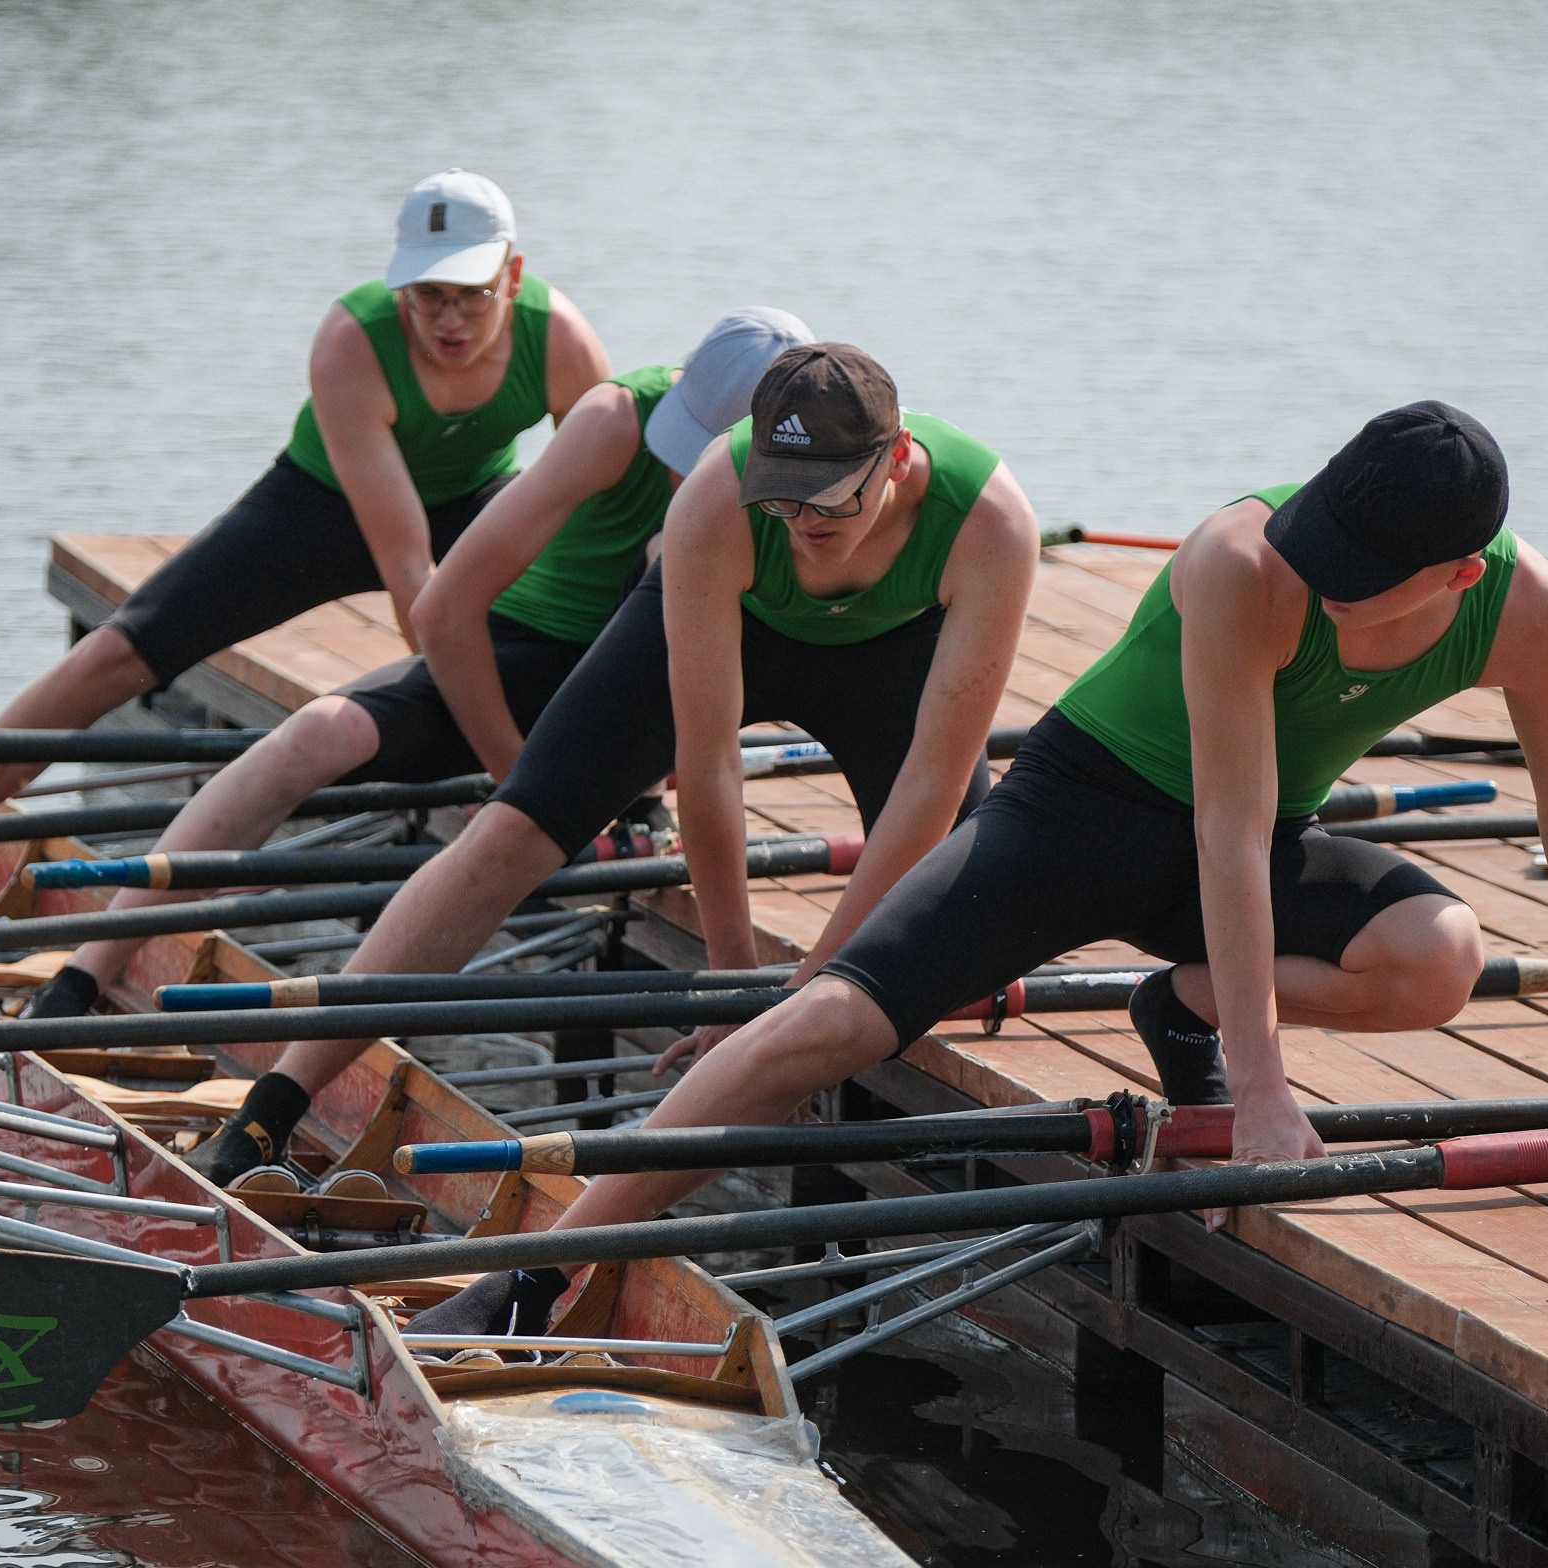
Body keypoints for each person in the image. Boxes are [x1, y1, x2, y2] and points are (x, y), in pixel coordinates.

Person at [442, 400, 1548, 1329]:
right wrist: (1261, 1094)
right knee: (818, 1027)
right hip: (1080, 808)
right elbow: (1219, 817)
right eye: (1315, 546)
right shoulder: (1235, 563)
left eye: (1355, 581)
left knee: (1442, 958)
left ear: (1457, 577)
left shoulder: (1529, 611)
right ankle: (538, 1271)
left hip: (1248, 841)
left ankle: (1185, 1001)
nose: (1313, 580)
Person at [186, 342, 1041, 1198]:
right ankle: (272, 1104)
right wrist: (733, 977)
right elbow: (706, 765)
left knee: (949, 903)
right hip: (744, 621)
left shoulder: (992, 524)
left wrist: (807, 985)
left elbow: (930, 786)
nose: (804, 520)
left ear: (895, 460)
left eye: (829, 497)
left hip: (893, 656)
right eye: (779, 494)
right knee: (511, 831)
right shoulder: (717, 498)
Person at [0, 168, 609, 922]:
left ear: (513, 275)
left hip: (475, 499)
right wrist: (497, 757)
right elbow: (410, 571)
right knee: (117, 653)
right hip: (322, 503)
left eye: (470, 296)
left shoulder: (564, 342)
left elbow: (600, 520)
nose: (448, 322)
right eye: (428, 297)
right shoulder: (353, 342)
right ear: (398, 285)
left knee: (580, 617)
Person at [16, 308, 817, 1023]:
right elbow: (442, 611)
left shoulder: (821, 486)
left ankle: (638, 797)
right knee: (311, 735)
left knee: (672, 560)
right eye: (685, 441)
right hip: (525, 657)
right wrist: (517, 775)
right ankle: (88, 969)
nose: (683, 468)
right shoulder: (612, 421)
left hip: (643, 698)